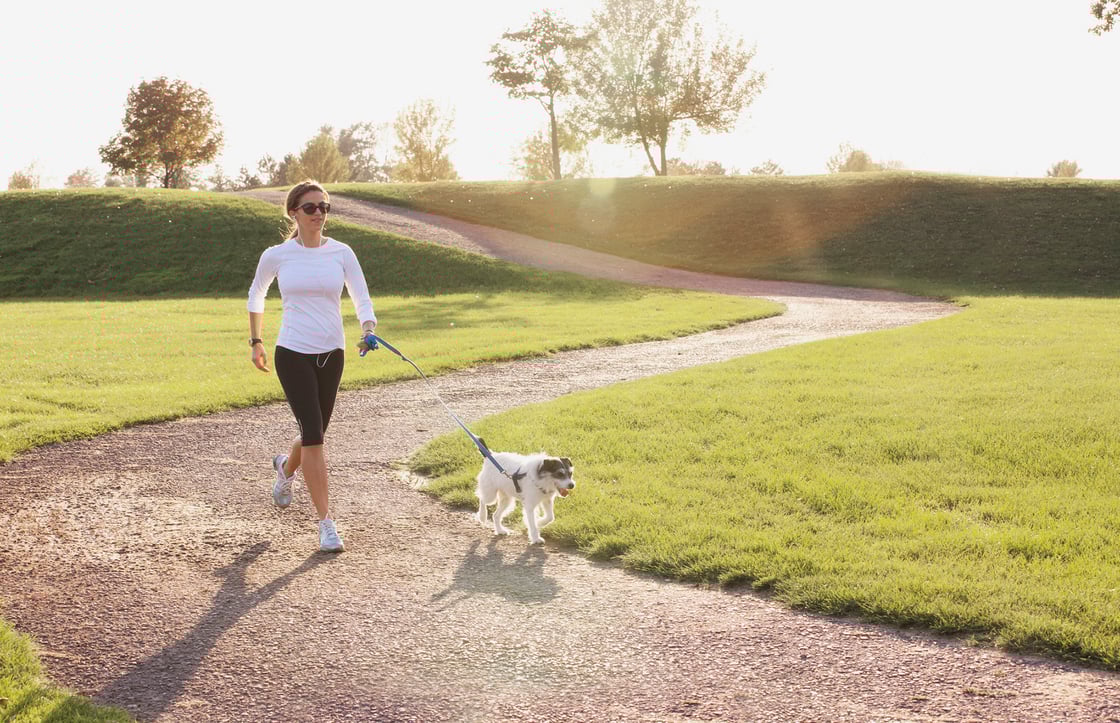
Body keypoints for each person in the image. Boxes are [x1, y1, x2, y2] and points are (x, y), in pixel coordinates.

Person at [247, 180, 377, 552]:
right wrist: (256, 342)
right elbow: (256, 293)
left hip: (332, 353)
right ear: (294, 212)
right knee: (316, 437)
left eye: (324, 207)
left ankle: (286, 468)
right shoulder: (277, 255)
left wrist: (368, 328)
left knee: (313, 431)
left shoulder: (342, 252)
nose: (318, 213)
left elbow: (361, 296)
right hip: (292, 352)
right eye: (310, 207)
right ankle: (326, 523)